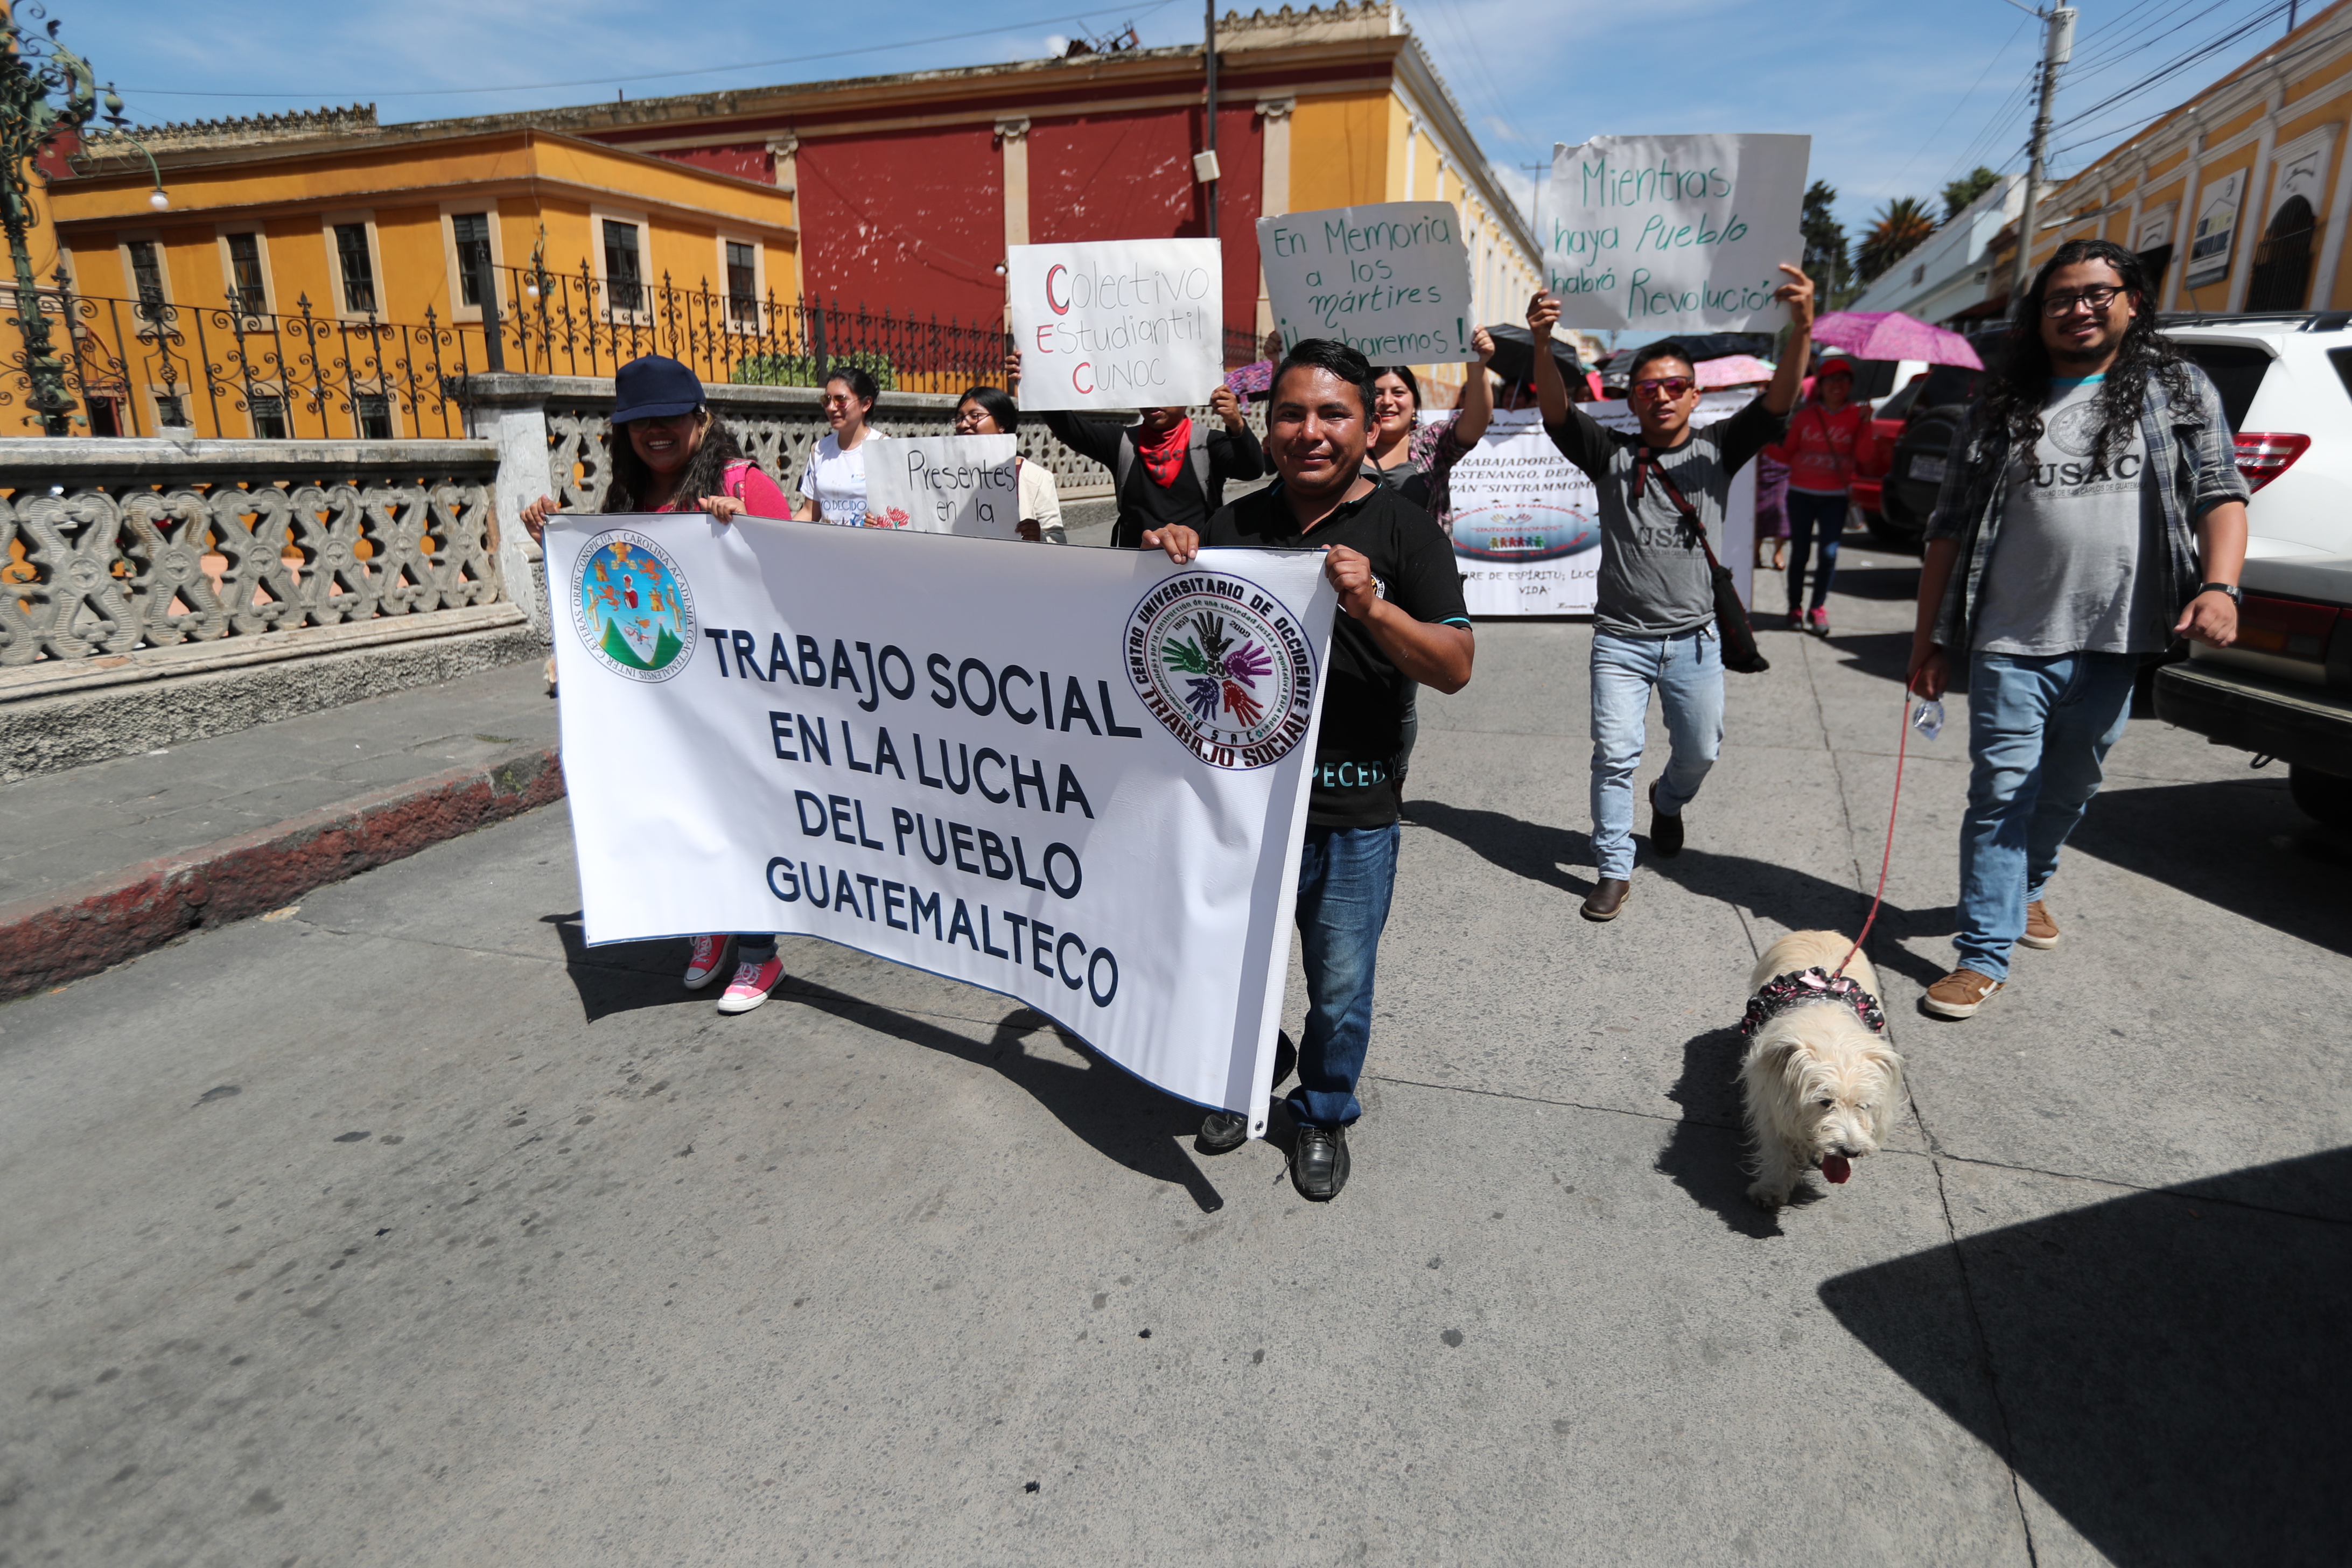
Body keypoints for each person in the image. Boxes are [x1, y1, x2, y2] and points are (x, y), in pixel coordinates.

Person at [1143, 338, 1474, 1202]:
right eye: (1291, 413)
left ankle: (1322, 1111)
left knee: (1339, 982)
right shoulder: (1230, 527)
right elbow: (1177, 651)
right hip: (1243, 809)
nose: (1310, 432)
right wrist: (1169, 557)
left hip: (1354, 814)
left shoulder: (1407, 529)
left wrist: (1372, 605)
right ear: (1268, 424)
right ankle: (1245, 1079)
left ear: (1371, 425)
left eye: (1334, 414)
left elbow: (1454, 665)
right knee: (1230, 965)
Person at [1908, 238, 2245, 1020]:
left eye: (2098, 292)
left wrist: (2222, 586)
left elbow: (2221, 491)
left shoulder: (2177, 386)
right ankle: (1983, 952)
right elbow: (1947, 531)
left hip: (2118, 635)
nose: (2080, 309)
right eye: (2061, 297)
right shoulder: (2000, 405)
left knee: (2071, 784)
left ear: (2132, 301)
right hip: (2008, 637)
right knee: (2001, 793)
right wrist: (1929, 643)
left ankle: (2027, 885)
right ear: (2039, 314)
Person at [1530, 269, 1816, 922]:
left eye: (1675, 386)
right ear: (1631, 400)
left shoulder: (1720, 448)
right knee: (1614, 754)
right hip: (1621, 641)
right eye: (1647, 388)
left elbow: (1777, 401)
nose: (1661, 397)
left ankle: (1667, 801)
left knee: (1702, 751)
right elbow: (1554, 411)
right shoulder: (1608, 454)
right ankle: (1612, 868)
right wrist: (1544, 346)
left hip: (1696, 639)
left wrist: (1801, 328)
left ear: (1695, 395)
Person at [516, 354, 796, 1016]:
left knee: (741, 816)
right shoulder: (627, 499)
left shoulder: (744, 483)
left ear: (700, 417)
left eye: (669, 417)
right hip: (666, 700)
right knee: (680, 807)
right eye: (640, 422)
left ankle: (761, 953)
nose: (656, 432)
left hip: (741, 697)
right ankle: (710, 923)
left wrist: (747, 531)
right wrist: (555, 534)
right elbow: (619, 590)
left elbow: (795, 582)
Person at [1008, 349, 1265, 548]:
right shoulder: (1121, 442)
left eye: (1166, 391)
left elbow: (1252, 469)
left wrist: (1236, 423)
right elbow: (1070, 429)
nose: (1154, 399)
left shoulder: (1208, 442)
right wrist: (1037, 382)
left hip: (1195, 570)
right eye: (1147, 390)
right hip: (1136, 572)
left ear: (1188, 395)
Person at [1766, 355, 1873, 634]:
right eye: (1831, 379)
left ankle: (1817, 608)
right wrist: (1761, 446)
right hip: (1800, 493)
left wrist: (1866, 425)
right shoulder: (1805, 417)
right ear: (1821, 385)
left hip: (1835, 497)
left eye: (1844, 379)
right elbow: (1787, 454)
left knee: (1828, 554)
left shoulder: (1857, 416)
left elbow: (1865, 458)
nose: (1838, 385)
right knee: (1800, 553)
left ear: (1850, 384)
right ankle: (1795, 608)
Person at [952, 384, 1065, 543]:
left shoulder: (1035, 478)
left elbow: (1059, 540)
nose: (963, 424)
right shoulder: (944, 474)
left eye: (975, 416)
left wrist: (1038, 536)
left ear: (1002, 425)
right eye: (960, 418)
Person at [797, 366, 884, 526]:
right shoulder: (819, 450)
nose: (831, 407)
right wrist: (777, 533)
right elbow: (810, 512)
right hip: (830, 550)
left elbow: (900, 513)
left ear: (866, 404)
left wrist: (881, 523)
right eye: (827, 400)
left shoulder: (884, 449)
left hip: (871, 549)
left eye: (841, 400)